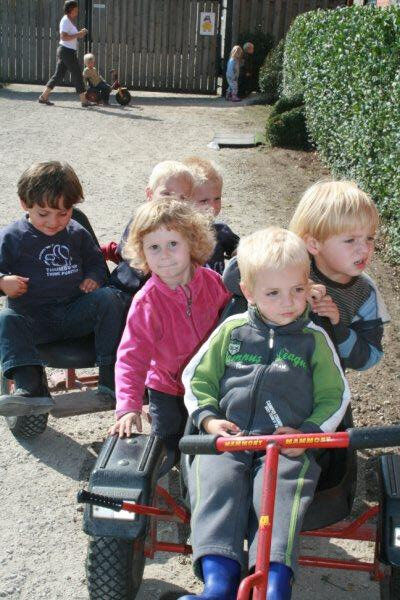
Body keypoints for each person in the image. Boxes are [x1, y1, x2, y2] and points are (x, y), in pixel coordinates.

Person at [180, 227, 350, 600]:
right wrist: (209, 419)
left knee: (279, 498)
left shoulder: (314, 340)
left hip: (287, 445)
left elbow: (335, 395)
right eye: (273, 293)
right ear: (249, 293)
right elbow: (197, 378)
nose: (288, 302)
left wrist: (308, 432)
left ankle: (274, 584)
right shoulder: (232, 331)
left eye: (298, 290)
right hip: (230, 439)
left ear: (308, 286)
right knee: (217, 483)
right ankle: (218, 583)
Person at [0, 161, 128, 416]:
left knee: (111, 298)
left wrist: (93, 277)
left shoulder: (76, 232)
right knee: (6, 318)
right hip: (33, 318)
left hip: (74, 312)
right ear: (25, 204)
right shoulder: (12, 237)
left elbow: (96, 263)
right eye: (43, 214)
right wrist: (3, 282)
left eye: (63, 213)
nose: (53, 222)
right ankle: (31, 389)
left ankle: (111, 380)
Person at [109, 198, 231, 462]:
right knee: (167, 445)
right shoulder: (147, 302)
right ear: (142, 253)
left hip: (211, 381)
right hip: (167, 388)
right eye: (154, 247)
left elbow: (236, 319)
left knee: (211, 442)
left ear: (192, 243)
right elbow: (131, 357)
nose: (164, 255)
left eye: (173, 244)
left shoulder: (213, 282)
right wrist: (128, 406)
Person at [289, 180, 390, 370]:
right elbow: (239, 275)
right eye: (350, 240)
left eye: (369, 238)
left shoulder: (365, 294)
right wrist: (295, 287)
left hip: (322, 385)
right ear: (314, 244)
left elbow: (370, 356)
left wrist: (336, 327)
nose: (365, 249)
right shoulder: (290, 265)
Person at [104, 160, 195, 295]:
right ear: (150, 194)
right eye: (166, 194)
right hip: (125, 289)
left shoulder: (187, 227)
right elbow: (125, 252)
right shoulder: (141, 220)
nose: (173, 202)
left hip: (162, 294)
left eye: (182, 198)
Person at [183, 157, 239, 274]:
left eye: (217, 198)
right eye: (204, 201)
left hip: (217, 286)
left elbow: (243, 251)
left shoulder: (221, 231)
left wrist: (240, 254)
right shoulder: (177, 236)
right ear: (185, 201)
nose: (213, 206)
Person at [38, 1, 92, 108]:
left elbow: (70, 35)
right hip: (67, 52)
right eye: (75, 10)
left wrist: (79, 33)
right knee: (77, 74)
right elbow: (63, 37)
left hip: (66, 51)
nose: (77, 12)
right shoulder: (66, 21)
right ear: (70, 10)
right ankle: (84, 101)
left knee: (58, 75)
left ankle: (43, 97)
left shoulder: (68, 20)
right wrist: (79, 34)